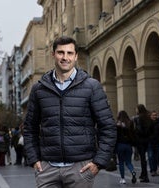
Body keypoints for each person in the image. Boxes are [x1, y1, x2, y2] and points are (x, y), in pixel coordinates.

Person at [23, 36, 117, 188]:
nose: (65, 57)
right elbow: (30, 128)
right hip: (48, 169)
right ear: (53, 54)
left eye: (69, 53)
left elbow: (108, 127)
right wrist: (34, 159)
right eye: (60, 52)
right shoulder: (39, 89)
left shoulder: (92, 86)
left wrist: (98, 162)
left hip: (80, 168)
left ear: (76, 56)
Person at [133, 104, 153, 183]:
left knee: (142, 159)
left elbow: (139, 129)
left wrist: (136, 133)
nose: (136, 110)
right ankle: (143, 174)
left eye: (136, 109)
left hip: (140, 140)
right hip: (147, 140)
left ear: (139, 109)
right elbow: (151, 129)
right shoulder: (148, 117)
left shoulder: (138, 118)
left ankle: (145, 176)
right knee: (143, 158)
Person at [115, 110, 137, 184]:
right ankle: (132, 171)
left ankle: (123, 178)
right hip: (128, 145)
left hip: (120, 145)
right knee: (128, 162)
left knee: (121, 162)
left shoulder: (117, 124)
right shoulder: (130, 123)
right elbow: (133, 134)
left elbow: (115, 136)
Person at [147, 110, 159, 177]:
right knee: (150, 156)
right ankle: (152, 170)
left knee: (156, 157)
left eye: (155, 115)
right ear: (150, 116)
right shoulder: (147, 124)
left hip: (157, 143)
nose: (154, 116)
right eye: (153, 115)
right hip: (150, 143)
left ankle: (155, 170)